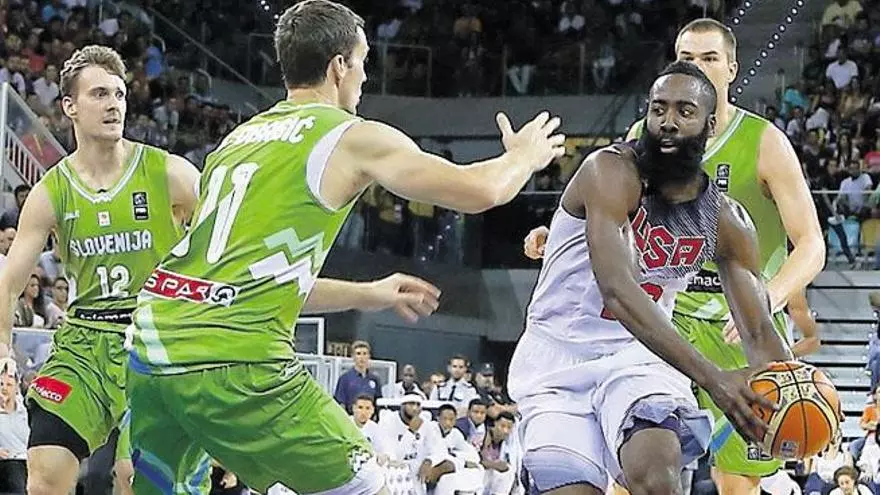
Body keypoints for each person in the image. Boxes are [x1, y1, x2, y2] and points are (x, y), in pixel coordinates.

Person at [125, 1, 564, 494]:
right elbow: (480, 190)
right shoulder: (349, 136)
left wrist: (368, 293)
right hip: (233, 357)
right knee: (370, 484)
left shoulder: (236, 141)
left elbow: (251, 281)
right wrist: (524, 157)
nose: (365, 76)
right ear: (339, 65)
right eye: (363, 61)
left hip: (153, 343)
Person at [522, 17, 824, 495]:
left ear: (709, 124)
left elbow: (758, 331)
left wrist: (795, 393)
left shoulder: (726, 218)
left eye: (684, 111)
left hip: (640, 356)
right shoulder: (610, 170)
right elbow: (618, 292)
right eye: (658, 109)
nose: (667, 121)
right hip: (563, 354)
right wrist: (716, 380)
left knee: (658, 476)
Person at [0, 45, 203, 495]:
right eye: (99, 94)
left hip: (155, 341)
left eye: (119, 94)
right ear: (69, 106)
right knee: (45, 471)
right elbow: (10, 282)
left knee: (131, 477)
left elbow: (228, 241)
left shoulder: (170, 173)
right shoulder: (51, 191)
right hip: (84, 343)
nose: (114, 105)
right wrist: (2, 349)